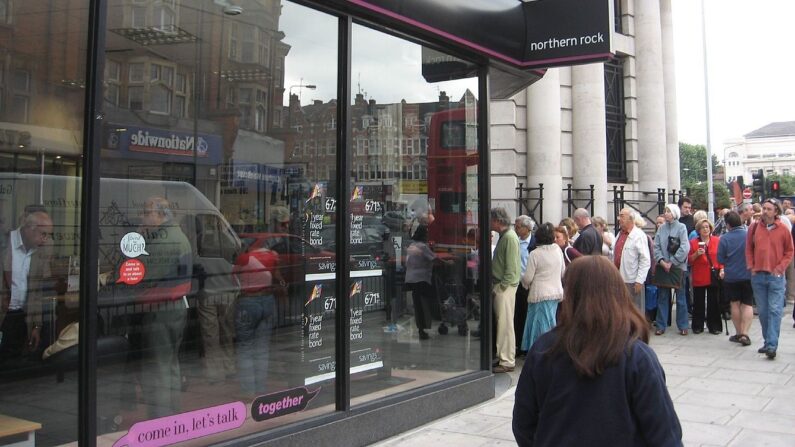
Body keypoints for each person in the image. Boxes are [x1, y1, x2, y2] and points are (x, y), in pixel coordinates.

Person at [512, 256, 682, 447]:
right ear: (618, 293)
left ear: (569, 294)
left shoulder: (544, 349)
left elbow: (523, 424)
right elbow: (665, 434)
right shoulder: (637, 356)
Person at [135, 197, 193, 417]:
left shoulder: (164, 241)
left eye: (146, 212)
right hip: (176, 306)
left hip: (161, 309)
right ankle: (172, 413)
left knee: (158, 367)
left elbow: (141, 274)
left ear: (159, 215)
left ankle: (160, 419)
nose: (142, 217)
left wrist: (138, 242)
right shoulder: (178, 236)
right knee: (170, 364)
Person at [0, 207, 54, 362]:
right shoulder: (5, 243)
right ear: (30, 229)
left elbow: (36, 292)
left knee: (14, 360)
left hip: (22, 316)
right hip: (4, 312)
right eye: (43, 234)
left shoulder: (39, 252)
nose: (46, 239)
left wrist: (36, 326)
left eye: (48, 235)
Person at [746, 198, 794, 359]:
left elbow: (789, 251)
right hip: (758, 275)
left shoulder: (783, 229)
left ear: (776, 212)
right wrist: (751, 266)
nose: (765, 211)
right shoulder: (754, 227)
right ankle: (768, 342)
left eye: (768, 209)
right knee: (764, 312)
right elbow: (748, 249)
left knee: (774, 311)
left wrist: (780, 268)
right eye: (764, 208)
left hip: (775, 276)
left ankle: (772, 345)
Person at [519, 223, 564, 352]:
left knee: (539, 325)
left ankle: (540, 350)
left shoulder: (535, 254)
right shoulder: (557, 250)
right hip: (555, 292)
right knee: (550, 322)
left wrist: (524, 284)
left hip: (539, 293)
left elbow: (527, 278)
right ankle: (552, 348)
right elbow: (563, 271)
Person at [405, 213, 450, 340]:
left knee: (417, 304)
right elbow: (435, 259)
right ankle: (424, 329)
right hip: (422, 279)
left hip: (411, 279)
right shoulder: (423, 247)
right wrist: (448, 263)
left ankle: (420, 329)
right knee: (424, 303)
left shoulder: (412, 245)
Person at [490, 207, 520, 373]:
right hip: (503, 285)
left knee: (505, 324)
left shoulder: (509, 237)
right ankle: (504, 357)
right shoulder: (506, 236)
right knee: (503, 323)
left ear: (497, 220)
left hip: (505, 286)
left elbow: (511, 267)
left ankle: (507, 360)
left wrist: (501, 287)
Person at [717, 211, 753, 346]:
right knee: (747, 303)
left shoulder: (725, 238)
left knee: (735, 304)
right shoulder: (748, 235)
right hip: (748, 273)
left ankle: (738, 333)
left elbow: (720, 258)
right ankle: (745, 333)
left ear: (728, 224)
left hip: (731, 275)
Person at [653, 204, 690, 336]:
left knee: (681, 297)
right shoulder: (661, 228)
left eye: (668, 211)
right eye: (665, 211)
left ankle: (683, 325)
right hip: (664, 267)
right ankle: (661, 325)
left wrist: (672, 262)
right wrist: (662, 261)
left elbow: (685, 247)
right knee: (663, 296)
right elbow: (656, 247)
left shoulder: (681, 227)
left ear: (674, 213)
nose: (666, 213)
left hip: (678, 267)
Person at [688, 218, 723, 334]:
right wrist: (696, 254)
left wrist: (722, 269)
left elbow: (721, 257)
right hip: (699, 274)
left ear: (711, 228)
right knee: (699, 301)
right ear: (698, 229)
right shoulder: (693, 243)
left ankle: (714, 326)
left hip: (713, 274)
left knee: (714, 301)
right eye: (703, 227)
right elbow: (689, 260)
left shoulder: (717, 241)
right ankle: (698, 325)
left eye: (707, 227)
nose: (705, 229)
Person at [614, 208, 651, 312]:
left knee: (635, 310)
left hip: (632, 280)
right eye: (619, 216)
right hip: (619, 278)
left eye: (622, 216)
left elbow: (645, 260)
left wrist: (639, 280)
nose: (619, 219)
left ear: (630, 219)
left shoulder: (639, 235)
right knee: (621, 309)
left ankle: (637, 328)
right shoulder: (620, 234)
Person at [514, 215, 535, 355]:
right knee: (518, 315)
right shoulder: (515, 240)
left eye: (519, 226)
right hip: (518, 283)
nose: (516, 229)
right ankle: (518, 343)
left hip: (530, 284)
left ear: (527, 228)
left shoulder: (533, 243)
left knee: (527, 315)